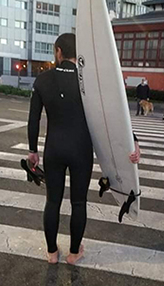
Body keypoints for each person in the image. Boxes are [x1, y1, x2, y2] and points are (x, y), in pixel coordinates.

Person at [27, 33, 142, 265]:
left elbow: (33, 120)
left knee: (52, 201)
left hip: (54, 149)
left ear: (58, 51)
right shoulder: (89, 81)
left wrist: (33, 151)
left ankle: (51, 253)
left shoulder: (43, 80)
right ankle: (73, 253)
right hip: (81, 150)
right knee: (78, 203)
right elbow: (113, 114)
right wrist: (133, 140)